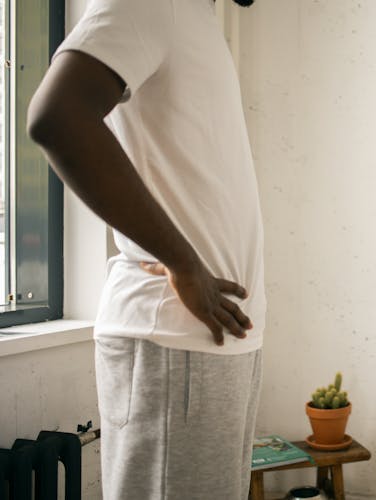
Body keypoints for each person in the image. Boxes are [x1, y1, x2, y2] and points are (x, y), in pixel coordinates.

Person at [27, 0, 264, 498]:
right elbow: (58, 116)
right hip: (172, 342)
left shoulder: (195, 18)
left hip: (208, 344)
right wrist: (183, 262)